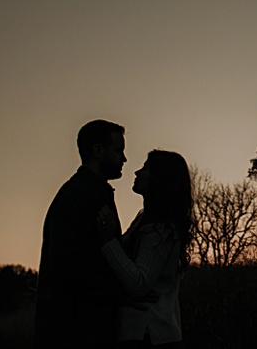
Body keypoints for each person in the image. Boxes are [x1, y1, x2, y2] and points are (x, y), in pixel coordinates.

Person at [35, 119, 127, 349]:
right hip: (76, 332)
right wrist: (124, 294)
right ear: (98, 151)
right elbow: (71, 265)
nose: (124, 159)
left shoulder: (88, 193)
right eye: (118, 151)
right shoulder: (79, 197)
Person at [98, 149, 194, 348]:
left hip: (149, 334)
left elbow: (139, 283)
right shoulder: (145, 220)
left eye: (145, 168)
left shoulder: (161, 228)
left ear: (160, 178)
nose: (137, 172)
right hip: (144, 333)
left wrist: (108, 242)